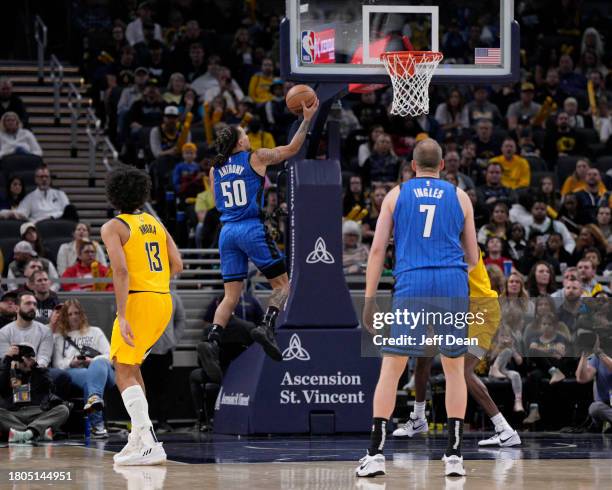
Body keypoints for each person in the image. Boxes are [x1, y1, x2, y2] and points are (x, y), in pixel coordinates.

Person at [356, 139, 479, 478]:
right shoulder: (460, 196)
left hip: (413, 282)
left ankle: (375, 454)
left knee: (392, 367)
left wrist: (369, 299)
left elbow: (378, 249)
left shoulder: (396, 195)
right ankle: (454, 456)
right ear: (442, 166)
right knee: (454, 369)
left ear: (413, 166)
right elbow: (474, 257)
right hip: (452, 282)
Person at [199, 96, 320, 384]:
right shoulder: (257, 157)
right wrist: (307, 119)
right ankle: (266, 326)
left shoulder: (215, 169)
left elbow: (217, 205)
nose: (248, 136)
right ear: (240, 143)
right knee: (283, 285)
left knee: (230, 295)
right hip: (251, 227)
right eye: (244, 134)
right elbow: (292, 148)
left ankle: (213, 340)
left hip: (227, 232)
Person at [393, 254, 522, 447]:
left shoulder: (461, 244)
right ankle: (419, 418)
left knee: (463, 370)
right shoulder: (439, 245)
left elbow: (455, 280)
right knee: (423, 357)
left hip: (481, 312)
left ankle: (504, 429)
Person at [101, 166, 182, 465]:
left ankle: (147, 441)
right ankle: (139, 438)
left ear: (113, 195)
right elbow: (178, 264)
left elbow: (120, 271)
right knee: (132, 368)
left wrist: (123, 315)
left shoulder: (114, 227)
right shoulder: (155, 222)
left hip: (138, 302)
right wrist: (156, 284)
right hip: (163, 300)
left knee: (122, 370)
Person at [51, 299, 114, 438]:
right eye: (70, 314)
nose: (74, 316)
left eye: (77, 313)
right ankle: (97, 424)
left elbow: (110, 357)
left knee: (97, 365)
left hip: (103, 372)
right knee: (88, 378)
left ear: (82, 314)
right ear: (65, 317)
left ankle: (96, 425)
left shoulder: (95, 332)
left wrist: (92, 361)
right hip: (75, 371)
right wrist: (71, 363)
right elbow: (57, 365)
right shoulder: (59, 337)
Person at [0, 343, 69, 443]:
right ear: (19, 360)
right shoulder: (8, 372)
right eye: (27, 358)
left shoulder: (39, 372)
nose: (30, 361)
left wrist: (35, 366)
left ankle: (26, 434)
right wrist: (7, 359)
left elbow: (50, 387)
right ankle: (36, 432)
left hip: (37, 412)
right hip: (14, 413)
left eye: (32, 357)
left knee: (63, 410)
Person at [141, 292, 185, 434]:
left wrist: (174, 341)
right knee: (143, 388)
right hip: (144, 352)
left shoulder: (173, 296)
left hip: (165, 352)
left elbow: (181, 319)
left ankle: (162, 422)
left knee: (164, 389)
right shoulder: (143, 294)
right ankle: (142, 424)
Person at [13, 165, 77, 223]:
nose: (44, 179)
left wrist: (51, 217)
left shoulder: (60, 194)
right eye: (41, 177)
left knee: (71, 208)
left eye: (46, 176)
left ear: (50, 179)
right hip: (41, 226)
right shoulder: (29, 197)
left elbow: (68, 211)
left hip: (59, 222)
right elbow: (21, 214)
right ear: (36, 179)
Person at [576, 339, 612, 430]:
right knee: (595, 408)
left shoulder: (600, 355)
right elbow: (582, 379)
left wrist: (600, 354)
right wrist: (584, 354)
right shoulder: (595, 358)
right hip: (606, 406)